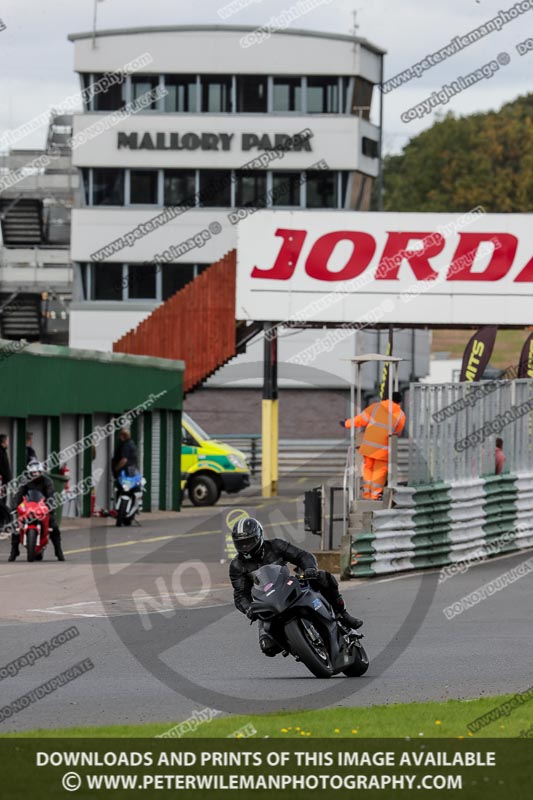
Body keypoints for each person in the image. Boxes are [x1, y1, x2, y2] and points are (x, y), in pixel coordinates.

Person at [229, 517, 362, 658]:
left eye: (248, 542)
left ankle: (342, 613)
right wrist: (248, 608)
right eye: (241, 543)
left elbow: (302, 556)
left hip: (288, 587)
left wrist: (310, 568)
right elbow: (240, 594)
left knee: (323, 578)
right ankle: (296, 647)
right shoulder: (237, 566)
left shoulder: (275, 546)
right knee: (268, 647)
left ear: (259, 536)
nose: (245, 547)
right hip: (267, 604)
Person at [341, 391, 406, 500]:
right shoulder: (401, 415)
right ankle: (375, 496)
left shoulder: (376, 407)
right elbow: (397, 432)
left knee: (368, 469)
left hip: (369, 446)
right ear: (399, 401)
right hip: (383, 449)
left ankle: (366, 494)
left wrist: (347, 423)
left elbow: (360, 420)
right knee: (379, 472)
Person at [8, 459, 65, 562]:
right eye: (33, 473)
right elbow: (18, 495)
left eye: (37, 472)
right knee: (16, 526)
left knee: (54, 527)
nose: (35, 475)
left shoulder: (47, 481)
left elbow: (51, 495)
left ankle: (58, 551)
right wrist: (14, 507)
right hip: (28, 507)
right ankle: (14, 551)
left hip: (42, 508)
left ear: (41, 472)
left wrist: (51, 507)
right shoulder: (24, 481)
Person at [0, 434, 12, 529]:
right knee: (1, 502)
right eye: (7, 441)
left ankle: (2, 523)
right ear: (3, 442)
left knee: (3, 500)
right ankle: (8, 518)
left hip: (4, 481)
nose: (8, 443)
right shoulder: (0, 452)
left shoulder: (3, 451)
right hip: (1, 481)